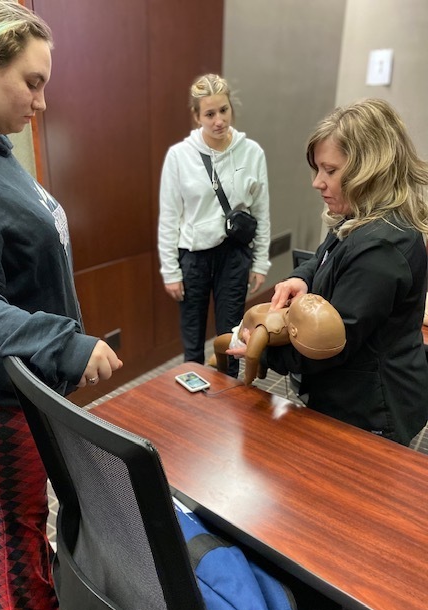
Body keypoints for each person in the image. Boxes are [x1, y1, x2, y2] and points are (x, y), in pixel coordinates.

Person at [0, 1, 122, 610]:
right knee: (22, 522)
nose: (41, 102)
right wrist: (62, 341)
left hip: (6, 378)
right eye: (33, 82)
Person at [229, 97, 428, 446]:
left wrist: (259, 349)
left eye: (330, 171)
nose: (317, 182)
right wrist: (300, 278)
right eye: (318, 169)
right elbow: (324, 255)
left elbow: (331, 346)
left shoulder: (381, 249)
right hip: (349, 391)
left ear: (371, 169)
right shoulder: (359, 218)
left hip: (372, 408)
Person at [158, 73, 270, 377]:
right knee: (192, 338)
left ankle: (229, 401)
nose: (218, 120)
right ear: (197, 117)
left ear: (231, 108)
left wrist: (260, 261)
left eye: (223, 110)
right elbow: (169, 216)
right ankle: (193, 404)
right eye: (209, 113)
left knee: (230, 335)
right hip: (193, 256)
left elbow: (261, 210)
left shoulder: (252, 152)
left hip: (233, 254)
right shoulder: (179, 156)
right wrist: (170, 270)